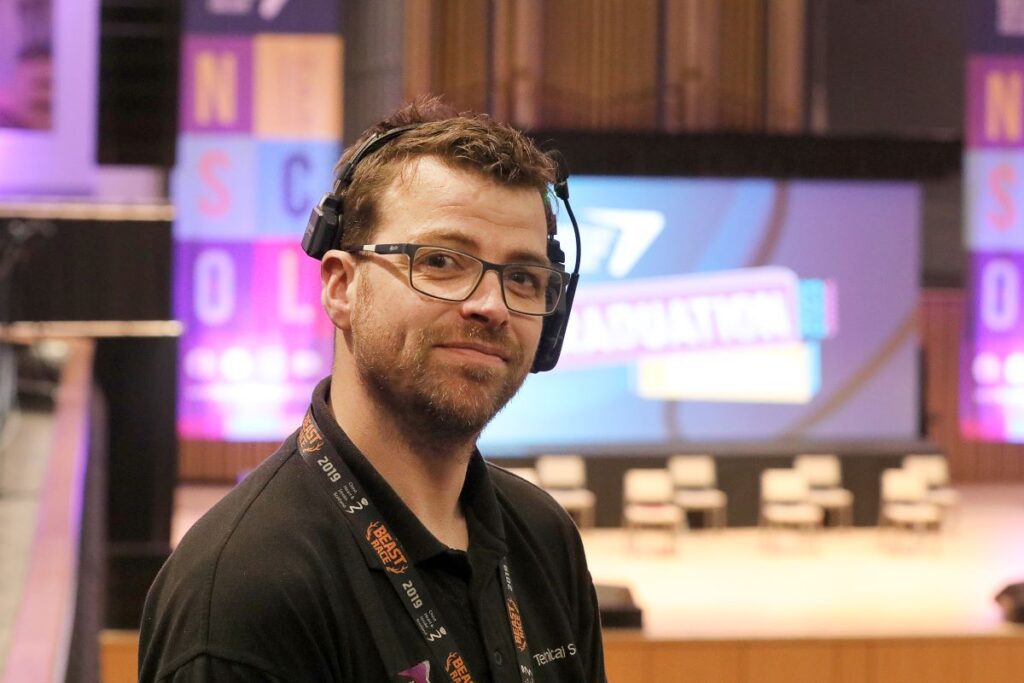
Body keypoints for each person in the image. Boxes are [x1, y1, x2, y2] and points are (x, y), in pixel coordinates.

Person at [139, 97, 606, 682]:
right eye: (441, 261)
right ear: (340, 287)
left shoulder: (544, 537)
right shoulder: (241, 591)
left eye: (523, 277)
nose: (491, 306)